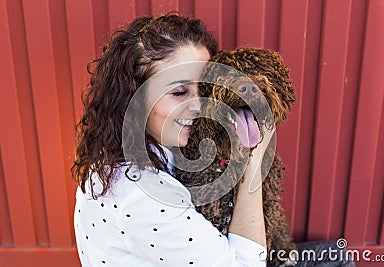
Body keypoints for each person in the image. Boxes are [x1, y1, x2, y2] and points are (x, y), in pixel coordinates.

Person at [72, 14, 269, 267]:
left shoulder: (122, 152)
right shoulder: (144, 196)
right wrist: (254, 159)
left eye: (205, 88)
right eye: (179, 92)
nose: (200, 105)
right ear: (135, 97)